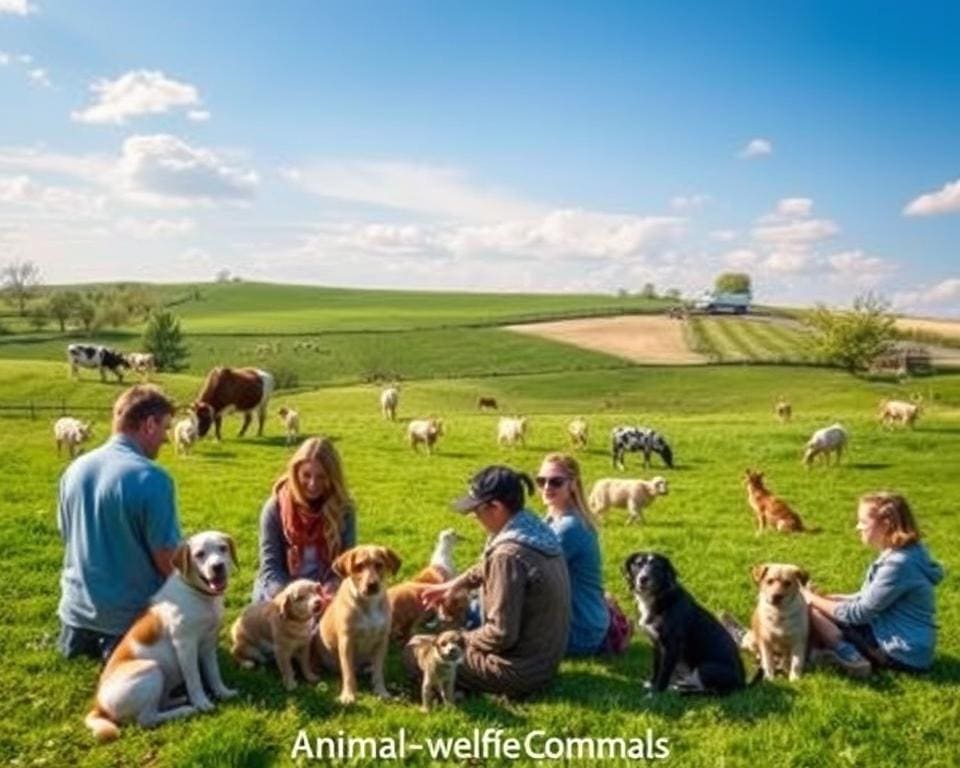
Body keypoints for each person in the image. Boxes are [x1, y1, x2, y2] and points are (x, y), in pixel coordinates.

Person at [412, 465, 571, 698]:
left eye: (476, 511)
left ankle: (454, 689)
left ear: (495, 507)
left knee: (417, 648)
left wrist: (454, 638)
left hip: (518, 672)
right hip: (543, 663)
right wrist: (454, 584)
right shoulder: (533, 531)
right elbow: (488, 567)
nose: (474, 518)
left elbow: (501, 634)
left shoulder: (506, 556)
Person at [57, 385, 180, 660]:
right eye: (165, 428)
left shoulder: (74, 469)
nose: (166, 439)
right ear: (149, 424)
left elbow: (66, 534)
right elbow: (167, 560)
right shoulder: (153, 478)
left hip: (74, 619)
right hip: (128, 626)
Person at [801, 492, 943, 674]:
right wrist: (830, 598)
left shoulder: (898, 564)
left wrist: (809, 598)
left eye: (863, 522)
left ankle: (850, 656)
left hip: (901, 654)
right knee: (823, 607)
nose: (858, 527)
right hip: (913, 649)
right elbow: (866, 598)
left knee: (811, 609)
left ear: (886, 525)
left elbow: (858, 613)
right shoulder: (907, 552)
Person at [537, 452, 631, 656]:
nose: (546, 487)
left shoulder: (570, 528)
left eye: (555, 482)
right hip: (580, 621)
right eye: (541, 481)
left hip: (577, 630)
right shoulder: (552, 521)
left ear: (572, 484)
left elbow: (528, 572)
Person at [251, 436, 356, 603]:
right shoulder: (275, 507)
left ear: (333, 477)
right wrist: (295, 600)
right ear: (295, 472)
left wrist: (332, 587)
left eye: (321, 477)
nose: (313, 484)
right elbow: (271, 568)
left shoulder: (344, 509)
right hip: (284, 591)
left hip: (325, 589)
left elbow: (346, 562)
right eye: (306, 475)